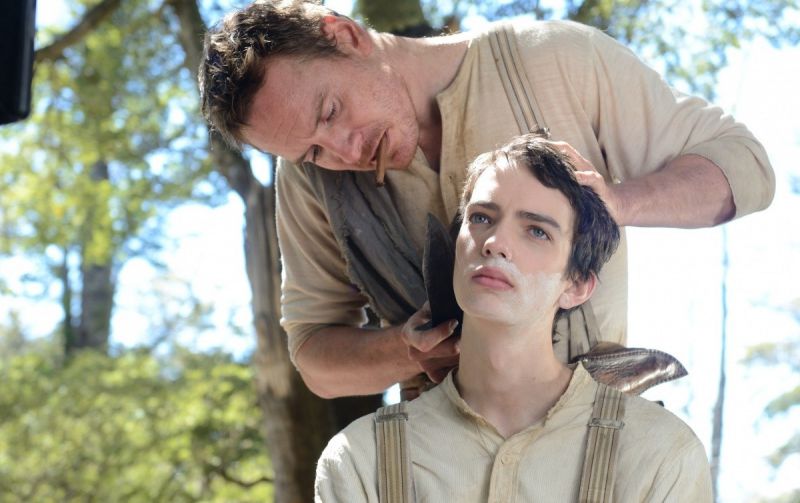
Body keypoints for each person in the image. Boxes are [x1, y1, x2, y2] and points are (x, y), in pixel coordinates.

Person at [198, 0, 775, 398]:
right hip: (435, 468)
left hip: (602, 443)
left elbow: (744, 168)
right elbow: (316, 359)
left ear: (345, 36)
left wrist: (621, 203)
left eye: (331, 112)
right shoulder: (307, 179)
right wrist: (406, 350)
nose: (344, 151)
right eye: (312, 151)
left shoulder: (553, 58)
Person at [314, 134, 712, 502]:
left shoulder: (659, 455)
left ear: (577, 285)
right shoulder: (361, 461)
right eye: (481, 218)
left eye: (536, 231)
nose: (495, 243)